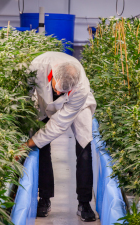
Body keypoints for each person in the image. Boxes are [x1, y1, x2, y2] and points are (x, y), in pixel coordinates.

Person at [23, 51, 97, 222]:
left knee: (84, 147)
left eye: (63, 91)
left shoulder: (81, 89)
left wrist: (29, 143)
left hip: (78, 106)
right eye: (56, 88)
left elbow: (58, 124)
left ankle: (84, 203)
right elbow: (25, 94)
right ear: (53, 75)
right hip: (43, 100)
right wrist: (30, 138)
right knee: (41, 146)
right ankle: (45, 199)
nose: (58, 92)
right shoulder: (37, 67)